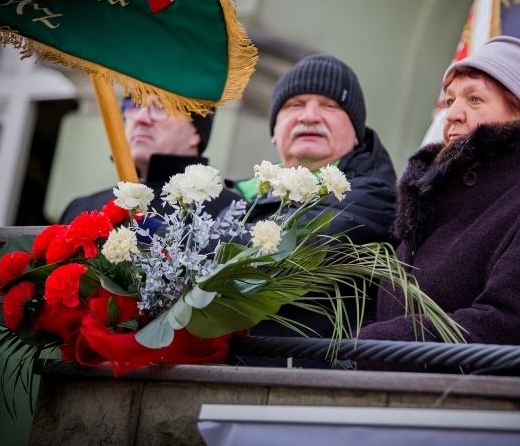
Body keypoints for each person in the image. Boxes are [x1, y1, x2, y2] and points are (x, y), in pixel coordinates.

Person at [356, 35, 520, 372]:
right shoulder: (428, 197)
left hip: (478, 416)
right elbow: (386, 308)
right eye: (449, 99)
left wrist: (364, 346)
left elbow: (508, 328)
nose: (451, 114)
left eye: (475, 99)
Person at [224, 53, 398, 367]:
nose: (310, 116)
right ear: (274, 131)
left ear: (356, 131)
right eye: (294, 105)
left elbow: (288, 250)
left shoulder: (373, 196)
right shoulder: (236, 193)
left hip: (300, 383)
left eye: (330, 106)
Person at [59, 97, 240, 223]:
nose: (141, 118)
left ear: (196, 132)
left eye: (161, 106)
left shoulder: (230, 212)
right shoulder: (80, 209)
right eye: (134, 105)